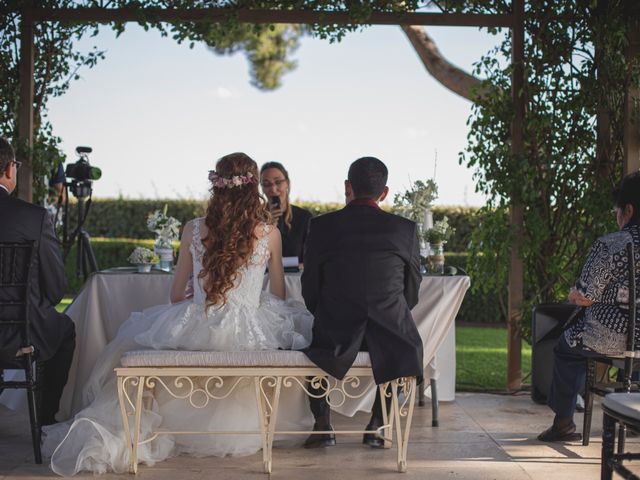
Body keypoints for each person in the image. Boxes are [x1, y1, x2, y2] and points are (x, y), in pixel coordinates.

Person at [43, 152, 314, 475]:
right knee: (293, 333)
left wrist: (202, 297)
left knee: (142, 345)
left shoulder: (193, 229)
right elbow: (279, 294)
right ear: (253, 187)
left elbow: (175, 294)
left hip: (197, 321)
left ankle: (160, 427)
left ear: (217, 185)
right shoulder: (269, 232)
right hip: (250, 327)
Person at [301, 156, 423, 448]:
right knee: (407, 344)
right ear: (384, 193)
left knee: (312, 348)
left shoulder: (321, 226)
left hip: (336, 330)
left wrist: (327, 311)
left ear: (348, 187)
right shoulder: (404, 229)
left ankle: (322, 425)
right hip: (391, 331)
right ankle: (378, 424)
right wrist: (389, 311)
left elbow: (310, 288)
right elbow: (412, 290)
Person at [538, 171, 640, 442]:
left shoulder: (612, 244)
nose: (616, 216)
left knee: (567, 345)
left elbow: (585, 296)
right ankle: (633, 416)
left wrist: (574, 294)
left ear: (628, 210)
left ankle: (563, 424)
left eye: (617, 211)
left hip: (611, 336)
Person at [0, 137, 76, 426]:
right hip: (18, 334)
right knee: (64, 330)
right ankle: (44, 423)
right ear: (9, 169)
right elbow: (56, 290)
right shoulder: (34, 217)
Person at [260, 162, 312, 263]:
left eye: (278, 182)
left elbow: (310, 256)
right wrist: (268, 227)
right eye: (266, 184)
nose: (273, 189)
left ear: (287, 183)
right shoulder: (254, 217)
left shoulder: (304, 217)